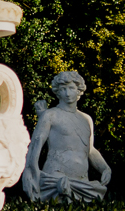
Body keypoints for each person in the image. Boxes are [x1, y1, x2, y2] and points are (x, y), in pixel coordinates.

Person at [24, 71, 113, 203]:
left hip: (83, 182)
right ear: (57, 92)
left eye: (71, 88)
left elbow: (90, 150)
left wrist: (105, 168)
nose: (67, 93)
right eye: (63, 89)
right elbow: (36, 144)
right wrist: (31, 170)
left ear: (79, 90)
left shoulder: (86, 119)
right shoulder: (50, 115)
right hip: (55, 179)